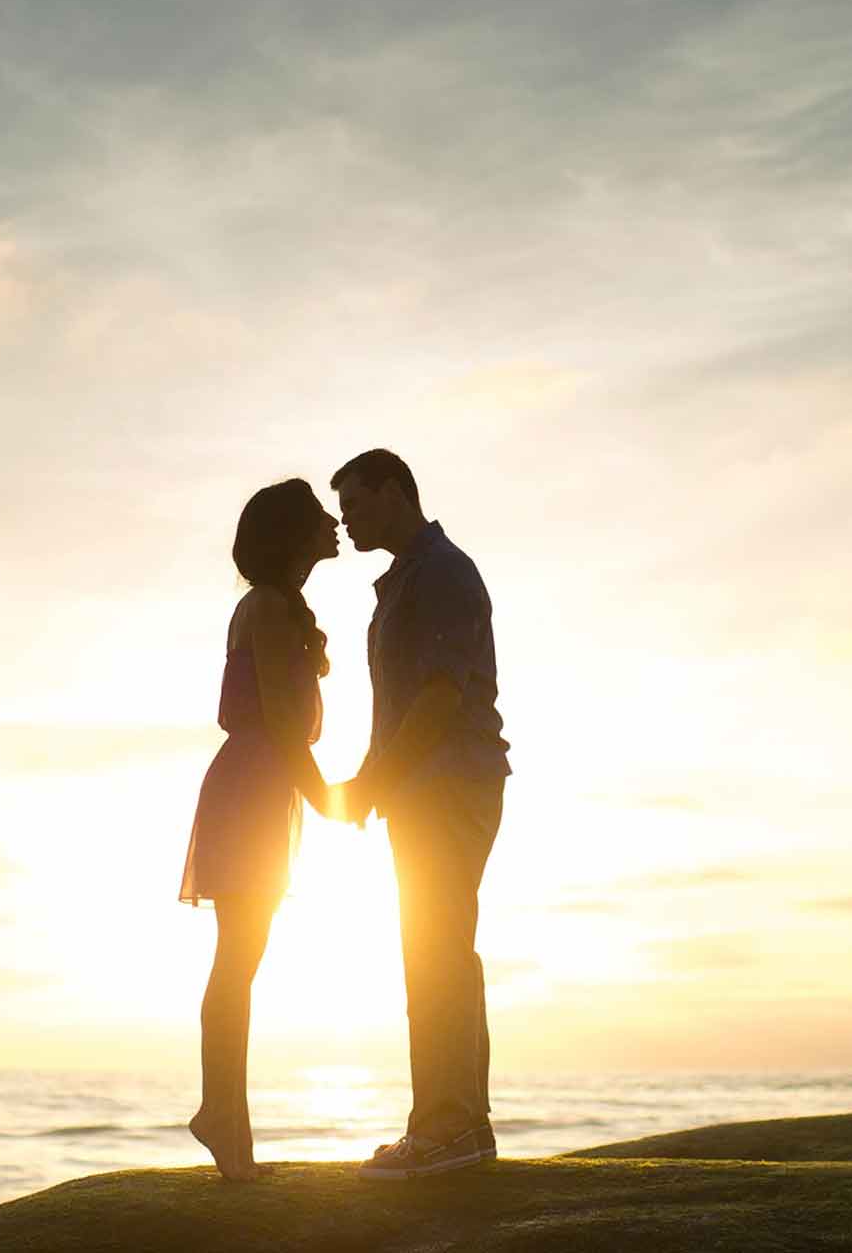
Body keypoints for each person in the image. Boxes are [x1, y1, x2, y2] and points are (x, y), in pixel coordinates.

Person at [329, 449, 511, 1181]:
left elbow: (437, 699)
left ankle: (444, 1129)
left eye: (358, 506)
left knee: (436, 950)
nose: (348, 522)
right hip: (429, 785)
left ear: (395, 490)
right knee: (442, 949)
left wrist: (373, 782)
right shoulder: (409, 577)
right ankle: (463, 1126)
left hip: (447, 783)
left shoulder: (439, 572)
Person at [179, 478, 340, 1182]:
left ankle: (229, 1123)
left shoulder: (274, 606)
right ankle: (223, 1120)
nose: (334, 525)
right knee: (239, 959)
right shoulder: (268, 608)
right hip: (253, 786)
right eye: (318, 519)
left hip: (260, 785)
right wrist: (333, 801)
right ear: (293, 536)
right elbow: (280, 720)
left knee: (241, 957)